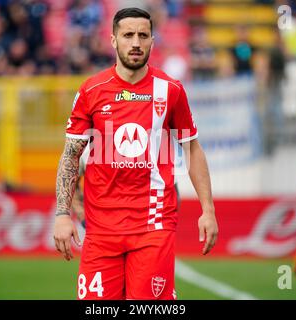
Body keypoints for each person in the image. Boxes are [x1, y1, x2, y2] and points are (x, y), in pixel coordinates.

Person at [53, 7, 218, 300]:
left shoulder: (171, 90)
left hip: (153, 224)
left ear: (153, 41)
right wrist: (63, 214)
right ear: (113, 40)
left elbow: (191, 147)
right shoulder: (91, 91)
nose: (136, 42)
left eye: (143, 35)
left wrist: (208, 209)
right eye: (128, 35)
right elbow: (70, 155)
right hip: (101, 229)